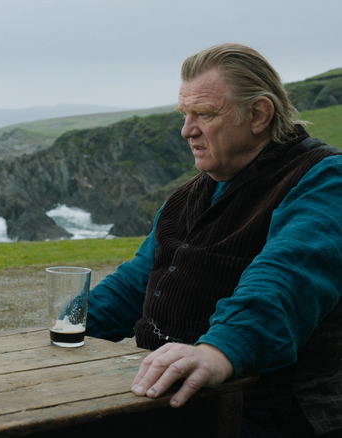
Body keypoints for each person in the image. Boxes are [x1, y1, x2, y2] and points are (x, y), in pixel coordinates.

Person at [74, 43, 342, 436]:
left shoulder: (324, 180)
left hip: (272, 413)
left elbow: (288, 274)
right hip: (174, 401)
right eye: (185, 115)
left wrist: (219, 351)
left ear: (258, 114)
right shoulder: (189, 195)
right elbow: (138, 280)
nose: (187, 130)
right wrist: (67, 322)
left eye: (204, 114)